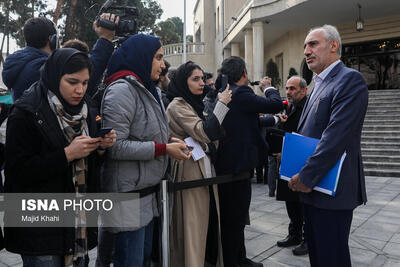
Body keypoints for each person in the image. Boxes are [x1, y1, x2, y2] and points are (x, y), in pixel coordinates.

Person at [4, 48, 116, 266]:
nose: (80, 89)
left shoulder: (87, 110)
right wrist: (66, 155)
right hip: (40, 228)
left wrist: (101, 148)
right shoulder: (26, 112)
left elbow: (89, 164)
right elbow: (17, 172)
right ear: (55, 76)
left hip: (78, 225)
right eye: (72, 82)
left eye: (85, 83)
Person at [100, 34, 190, 267]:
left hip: (147, 194)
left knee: (144, 258)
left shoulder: (147, 88)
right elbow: (115, 146)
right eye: (158, 57)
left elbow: (145, 131)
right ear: (142, 57)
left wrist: (169, 139)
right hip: (128, 197)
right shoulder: (121, 91)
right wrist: (164, 148)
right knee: (130, 260)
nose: (163, 65)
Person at [288, 25, 368, 267]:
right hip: (312, 191)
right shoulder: (317, 85)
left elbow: (336, 138)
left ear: (334, 46)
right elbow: (309, 133)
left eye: (313, 44)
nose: (306, 51)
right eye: (304, 46)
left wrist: (307, 175)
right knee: (318, 257)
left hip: (332, 191)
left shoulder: (349, 80)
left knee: (332, 258)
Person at [214, 56, 283, 267]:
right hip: (237, 169)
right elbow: (276, 104)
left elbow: (246, 120)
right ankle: (232, 262)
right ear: (244, 73)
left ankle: (239, 258)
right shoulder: (242, 93)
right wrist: (268, 87)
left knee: (236, 218)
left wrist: (275, 121)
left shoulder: (229, 94)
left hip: (227, 166)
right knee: (234, 221)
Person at [166, 61, 231, 267]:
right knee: (193, 226)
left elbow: (212, 141)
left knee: (208, 223)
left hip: (203, 171)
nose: (202, 83)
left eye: (202, 78)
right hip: (188, 172)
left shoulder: (194, 104)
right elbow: (205, 132)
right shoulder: (177, 105)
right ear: (183, 82)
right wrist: (221, 105)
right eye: (195, 79)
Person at [2, 13, 117, 101]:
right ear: (52, 40)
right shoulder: (42, 67)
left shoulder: (22, 64)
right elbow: (86, 72)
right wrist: (105, 39)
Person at [274, 76, 308, 256]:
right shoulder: (289, 106)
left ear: (304, 90)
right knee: (290, 200)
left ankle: (307, 239)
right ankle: (294, 234)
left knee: (303, 203)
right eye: (287, 88)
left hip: (301, 161)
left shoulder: (309, 108)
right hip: (287, 161)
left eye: (292, 89)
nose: (288, 92)